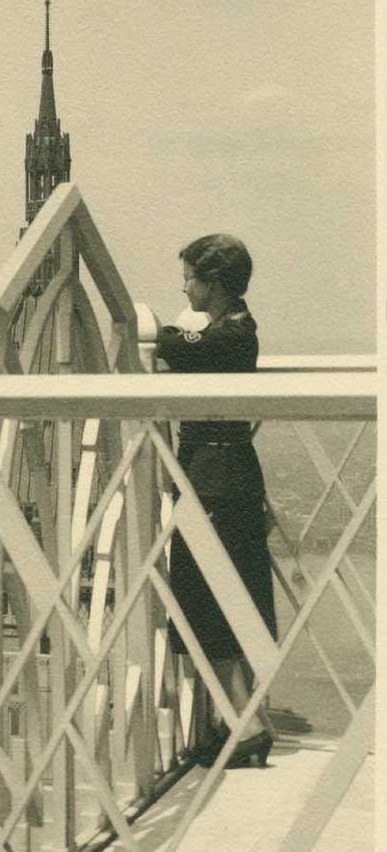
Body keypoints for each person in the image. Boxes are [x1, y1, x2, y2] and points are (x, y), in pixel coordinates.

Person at [154, 234, 277, 769]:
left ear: (215, 281)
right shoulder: (239, 330)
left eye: (191, 277)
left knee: (209, 595)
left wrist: (168, 330)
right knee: (235, 593)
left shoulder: (231, 337)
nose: (185, 286)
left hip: (213, 476)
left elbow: (175, 346)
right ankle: (243, 721)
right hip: (231, 473)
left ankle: (244, 727)